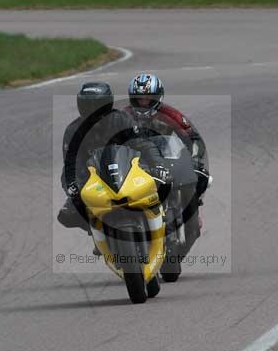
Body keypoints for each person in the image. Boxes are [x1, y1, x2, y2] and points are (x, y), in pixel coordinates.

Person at [57, 82, 170, 232]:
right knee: (68, 213)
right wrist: (72, 188)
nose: (92, 111)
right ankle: (93, 228)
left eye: (98, 105)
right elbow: (71, 163)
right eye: (88, 105)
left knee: (165, 182)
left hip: (129, 171)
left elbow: (143, 144)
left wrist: (159, 165)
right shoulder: (73, 130)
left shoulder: (121, 119)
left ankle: (163, 222)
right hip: (94, 178)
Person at [125, 73, 211, 259]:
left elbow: (193, 138)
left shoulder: (171, 115)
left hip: (168, 161)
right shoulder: (123, 115)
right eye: (139, 99)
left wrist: (194, 158)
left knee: (198, 179)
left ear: (158, 98)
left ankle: (193, 212)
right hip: (137, 166)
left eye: (148, 99)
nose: (144, 103)